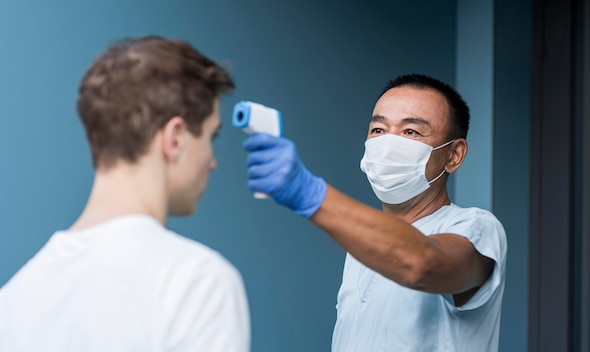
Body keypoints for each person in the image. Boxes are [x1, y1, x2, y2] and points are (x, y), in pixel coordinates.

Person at [0, 36, 250, 352]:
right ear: (175, 139)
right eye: (211, 136)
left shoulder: (13, 301)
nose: (212, 162)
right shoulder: (197, 283)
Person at [241, 73, 507, 351]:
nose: (388, 145)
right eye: (378, 130)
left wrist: (310, 193)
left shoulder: (477, 228)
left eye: (410, 132)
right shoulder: (365, 245)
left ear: (453, 155)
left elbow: (423, 265)